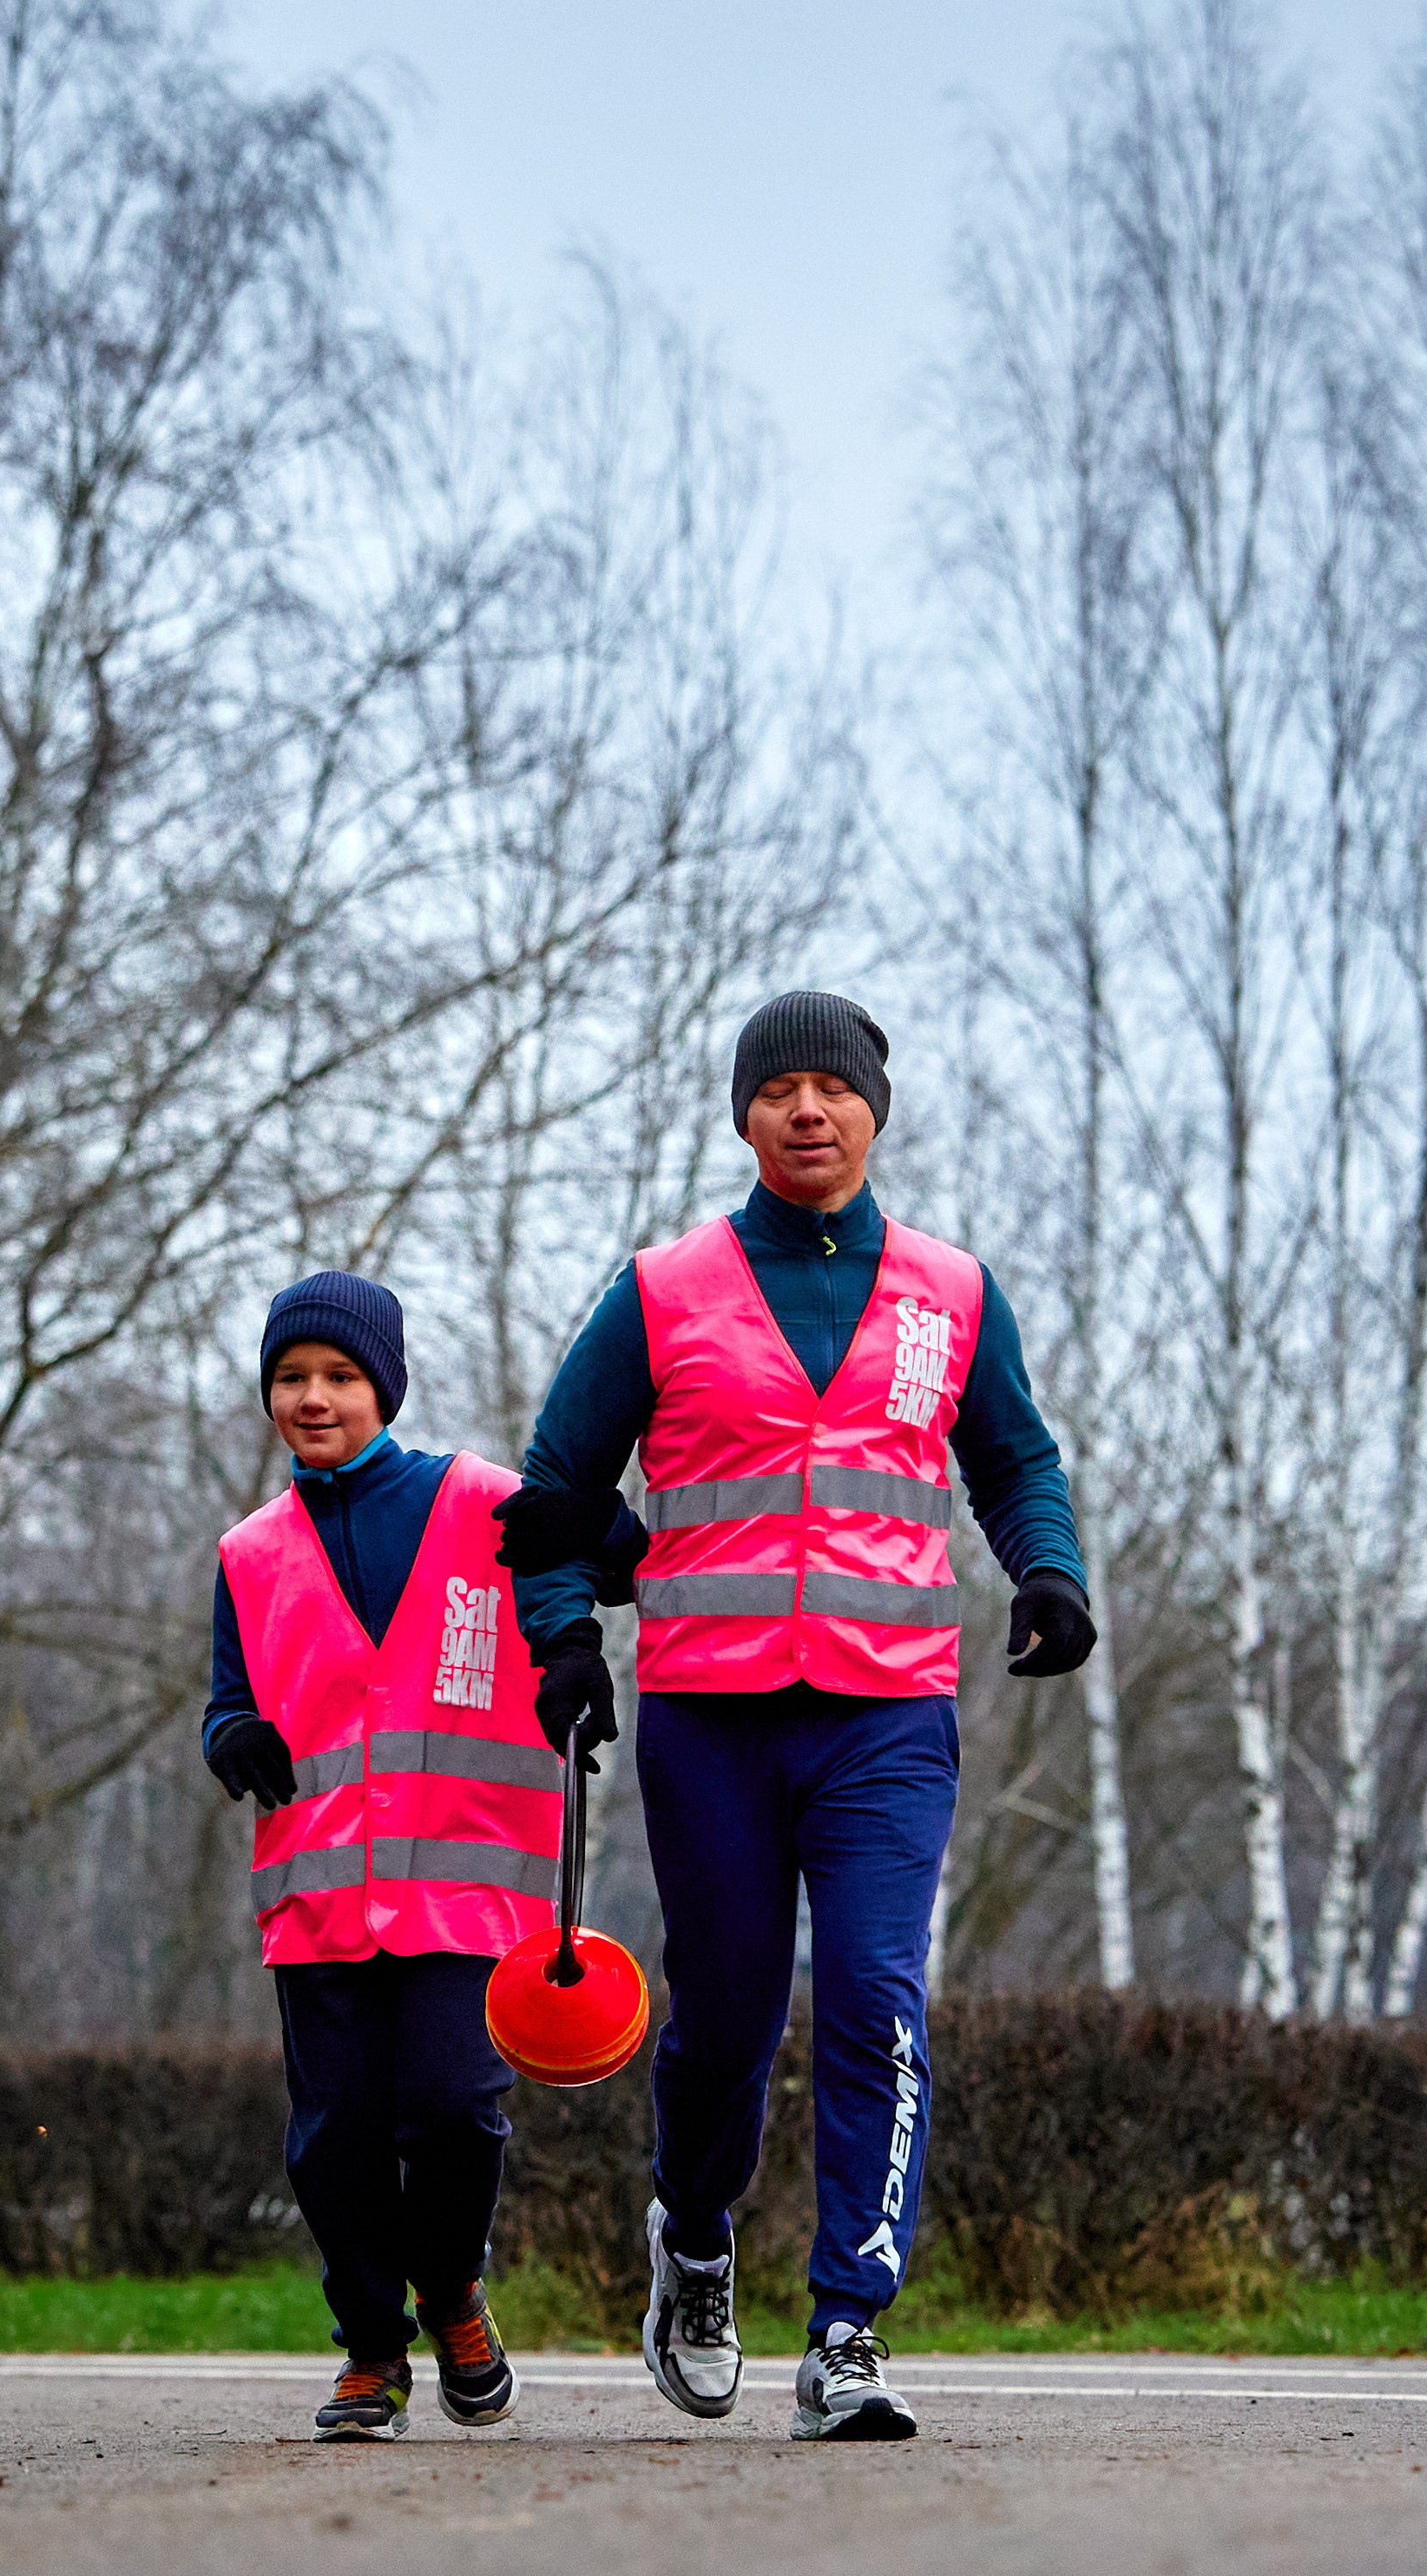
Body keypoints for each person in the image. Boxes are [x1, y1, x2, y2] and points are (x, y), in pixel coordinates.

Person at [496, 992, 1095, 2443]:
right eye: (780, 1090)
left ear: (876, 1110)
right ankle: (695, 2249)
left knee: (879, 2002)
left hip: (887, 1715)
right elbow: (556, 1489)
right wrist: (565, 1640)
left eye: (835, 1087)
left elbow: (1013, 1459)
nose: (808, 1111)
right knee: (727, 2016)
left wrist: (1052, 1574)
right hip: (714, 1717)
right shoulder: (663, 1288)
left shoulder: (952, 1290)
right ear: (745, 1115)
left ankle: (849, 2330)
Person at [204, 1268, 640, 2441]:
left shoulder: (484, 1499)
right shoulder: (247, 1552)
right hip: (320, 1894)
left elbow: (623, 1552)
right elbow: (228, 1697)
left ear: (385, 1388)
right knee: (332, 2136)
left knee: (453, 2108)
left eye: (340, 1376)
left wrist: (580, 1616)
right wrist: (229, 1733)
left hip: (471, 1881)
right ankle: (368, 2354)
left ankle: (451, 2292)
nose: (312, 1397)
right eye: (290, 1378)